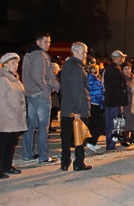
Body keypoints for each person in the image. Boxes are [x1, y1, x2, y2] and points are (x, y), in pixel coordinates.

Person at [22, 31, 59, 163]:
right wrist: (47, 90)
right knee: (43, 126)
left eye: (49, 42)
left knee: (30, 126)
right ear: (38, 42)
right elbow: (40, 76)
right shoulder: (40, 55)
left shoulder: (28, 54)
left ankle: (27, 153)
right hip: (40, 95)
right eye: (45, 42)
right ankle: (43, 155)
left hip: (30, 93)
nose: (48, 44)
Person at [59, 42, 92, 171]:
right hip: (76, 108)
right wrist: (77, 110)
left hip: (67, 107)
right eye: (84, 53)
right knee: (80, 137)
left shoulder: (66, 65)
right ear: (76, 52)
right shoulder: (77, 68)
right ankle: (79, 162)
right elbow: (77, 90)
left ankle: (64, 161)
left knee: (66, 137)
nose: (85, 55)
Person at [0, 53, 26, 179]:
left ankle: (7, 165)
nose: (15, 65)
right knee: (3, 144)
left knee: (11, 143)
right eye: (12, 63)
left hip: (16, 116)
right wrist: (10, 115)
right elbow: (2, 101)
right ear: (5, 64)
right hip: (7, 118)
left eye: (16, 63)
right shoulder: (3, 79)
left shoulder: (14, 78)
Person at [103, 50, 128, 150]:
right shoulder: (115, 70)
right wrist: (122, 103)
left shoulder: (110, 69)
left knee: (111, 123)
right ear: (115, 58)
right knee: (113, 124)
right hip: (114, 102)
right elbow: (118, 88)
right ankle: (110, 144)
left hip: (110, 100)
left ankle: (110, 143)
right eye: (121, 58)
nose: (122, 60)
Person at [86, 61, 105, 152]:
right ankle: (91, 142)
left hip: (89, 103)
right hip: (96, 104)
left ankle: (92, 141)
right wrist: (102, 103)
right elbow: (98, 94)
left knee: (92, 124)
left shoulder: (86, 79)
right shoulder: (95, 80)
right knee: (100, 125)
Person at [121, 62, 134, 146]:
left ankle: (129, 137)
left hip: (133, 103)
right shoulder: (121, 80)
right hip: (125, 103)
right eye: (125, 69)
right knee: (125, 122)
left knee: (131, 121)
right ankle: (123, 138)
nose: (127, 70)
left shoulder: (133, 78)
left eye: (128, 68)